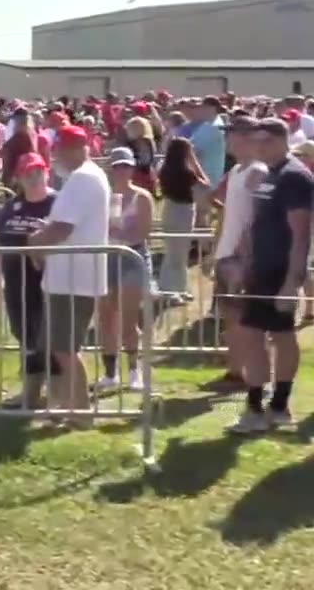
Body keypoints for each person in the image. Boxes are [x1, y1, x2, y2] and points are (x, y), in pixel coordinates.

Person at [230, 118, 314, 434]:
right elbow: (256, 223)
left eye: (265, 141)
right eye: (255, 141)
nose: (258, 147)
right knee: (252, 336)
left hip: (280, 271)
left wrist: (292, 283)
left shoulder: (294, 177)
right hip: (258, 269)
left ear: (282, 140)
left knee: (281, 336)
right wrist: (243, 260)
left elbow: (301, 235)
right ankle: (256, 404)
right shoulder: (266, 174)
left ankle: (278, 406)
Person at [29, 125, 110, 414]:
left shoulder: (83, 178)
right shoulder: (85, 177)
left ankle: (81, 410)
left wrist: (35, 243)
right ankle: (70, 405)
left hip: (74, 278)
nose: (55, 156)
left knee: (65, 348)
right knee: (63, 348)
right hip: (69, 276)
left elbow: (63, 228)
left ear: (74, 149)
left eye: (58, 149)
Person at [0, 152, 55, 408]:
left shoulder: (56, 203)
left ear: (46, 171)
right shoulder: (11, 206)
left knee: (46, 335)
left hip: (47, 280)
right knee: (24, 334)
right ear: (18, 177)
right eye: (27, 173)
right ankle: (31, 390)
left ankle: (52, 391)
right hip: (16, 282)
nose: (33, 177)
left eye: (37, 171)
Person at [205, 115, 266, 391]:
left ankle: (255, 378)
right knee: (231, 316)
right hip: (227, 252)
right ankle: (235, 371)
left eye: (231, 133)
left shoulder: (257, 171)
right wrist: (215, 250)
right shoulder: (237, 171)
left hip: (244, 257)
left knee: (247, 319)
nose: (227, 138)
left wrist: (245, 257)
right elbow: (224, 209)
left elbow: (256, 218)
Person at [95, 147, 154, 392]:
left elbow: (143, 232)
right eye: (117, 166)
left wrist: (119, 233)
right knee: (107, 318)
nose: (121, 171)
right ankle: (110, 373)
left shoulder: (142, 197)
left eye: (126, 166)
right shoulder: (102, 196)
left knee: (129, 319)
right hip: (106, 257)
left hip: (132, 257)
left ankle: (133, 370)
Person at [156, 136, 212, 301]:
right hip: (183, 211)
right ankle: (167, 291)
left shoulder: (163, 168)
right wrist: (195, 162)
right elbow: (206, 185)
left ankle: (179, 288)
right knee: (175, 254)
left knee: (178, 253)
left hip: (169, 209)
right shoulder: (187, 172)